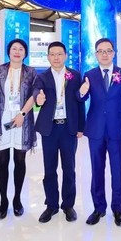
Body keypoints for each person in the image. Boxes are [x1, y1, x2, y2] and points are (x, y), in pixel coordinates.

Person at [78, 38, 121, 226]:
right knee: (96, 169)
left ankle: (117, 209)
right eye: (100, 51)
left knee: (117, 171)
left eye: (108, 50)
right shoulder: (90, 74)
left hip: (118, 130)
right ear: (96, 54)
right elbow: (81, 98)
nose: (104, 54)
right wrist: (82, 91)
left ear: (114, 53)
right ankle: (98, 208)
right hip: (96, 130)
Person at [33, 41, 85, 223]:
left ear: (65, 56)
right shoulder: (42, 76)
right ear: (48, 57)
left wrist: (81, 127)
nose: (56, 57)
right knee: (49, 169)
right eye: (52, 54)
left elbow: (80, 101)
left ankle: (68, 205)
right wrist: (38, 98)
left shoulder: (75, 75)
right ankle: (51, 205)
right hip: (50, 129)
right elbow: (36, 92)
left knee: (69, 168)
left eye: (59, 54)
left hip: (69, 128)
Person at [0, 38, 37, 219]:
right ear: (8, 51)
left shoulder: (30, 72)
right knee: (2, 161)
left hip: (22, 119)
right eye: (14, 48)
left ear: (25, 53)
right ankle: (3, 201)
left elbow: (34, 95)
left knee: (20, 161)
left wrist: (22, 114)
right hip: (3, 119)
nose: (17, 51)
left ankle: (17, 199)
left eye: (21, 49)